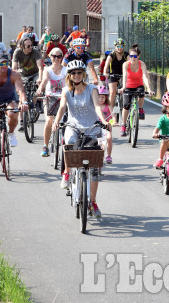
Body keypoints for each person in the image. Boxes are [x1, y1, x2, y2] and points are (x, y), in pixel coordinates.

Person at [52, 60, 112, 218]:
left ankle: (92, 202)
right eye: (73, 73)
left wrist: (104, 121)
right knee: (69, 141)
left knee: (93, 169)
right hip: (74, 126)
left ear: (83, 74)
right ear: (69, 76)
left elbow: (97, 107)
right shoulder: (66, 91)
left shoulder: (92, 88)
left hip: (92, 128)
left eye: (79, 73)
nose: (76, 76)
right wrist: (57, 121)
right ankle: (66, 172)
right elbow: (62, 107)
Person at [35, 47, 67, 157]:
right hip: (50, 97)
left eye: (59, 56)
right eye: (54, 56)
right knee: (49, 120)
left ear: (62, 57)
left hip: (63, 97)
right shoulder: (47, 70)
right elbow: (45, 80)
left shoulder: (65, 70)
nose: (56, 58)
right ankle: (45, 146)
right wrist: (40, 89)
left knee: (67, 122)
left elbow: (70, 82)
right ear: (50, 56)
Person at [119, 44, 154, 135]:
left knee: (141, 93)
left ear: (138, 56)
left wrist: (149, 89)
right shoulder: (126, 64)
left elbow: (145, 77)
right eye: (131, 56)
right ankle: (123, 125)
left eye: (135, 56)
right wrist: (123, 87)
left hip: (138, 85)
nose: (133, 58)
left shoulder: (142, 64)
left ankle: (141, 109)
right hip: (128, 85)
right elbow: (125, 76)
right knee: (126, 105)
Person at [11, 36, 44, 131]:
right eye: (28, 46)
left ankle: (37, 101)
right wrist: (14, 79)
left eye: (31, 45)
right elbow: (14, 68)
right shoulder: (17, 52)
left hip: (35, 74)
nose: (30, 47)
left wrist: (40, 79)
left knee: (38, 85)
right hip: (23, 75)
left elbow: (40, 68)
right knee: (22, 98)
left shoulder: (35, 52)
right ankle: (22, 122)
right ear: (22, 46)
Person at [103, 38, 128, 112]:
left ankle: (125, 106)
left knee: (126, 91)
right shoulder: (112, 55)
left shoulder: (126, 55)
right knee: (112, 92)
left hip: (123, 75)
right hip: (112, 75)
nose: (120, 48)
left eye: (121, 46)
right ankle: (110, 112)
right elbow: (106, 66)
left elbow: (130, 63)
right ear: (115, 47)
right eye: (118, 46)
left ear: (123, 47)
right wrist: (105, 73)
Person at [97, 86, 114, 164]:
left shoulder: (108, 106)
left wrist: (114, 121)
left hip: (107, 126)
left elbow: (113, 115)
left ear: (106, 97)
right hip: (96, 126)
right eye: (99, 97)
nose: (101, 99)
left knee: (109, 138)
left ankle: (109, 156)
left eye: (102, 97)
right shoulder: (95, 106)